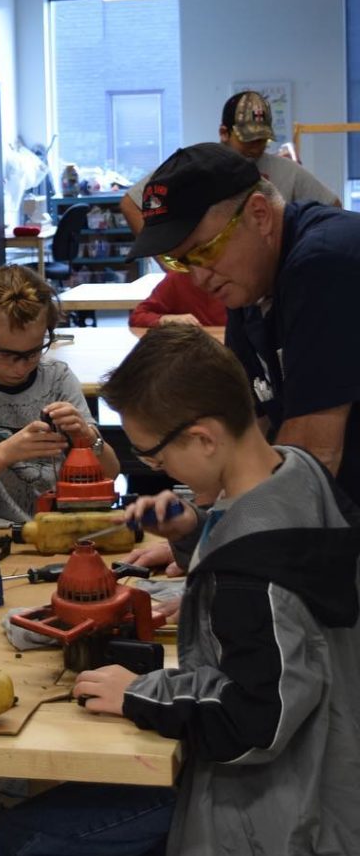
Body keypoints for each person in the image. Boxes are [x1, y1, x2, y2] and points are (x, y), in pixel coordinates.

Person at [0, 324, 360, 856]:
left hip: (270, 821)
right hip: (326, 776)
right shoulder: (300, 476)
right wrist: (199, 532)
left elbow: (258, 717)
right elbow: (294, 606)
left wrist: (142, 694)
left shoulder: (253, 574)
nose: (156, 470)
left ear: (204, 437)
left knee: (23, 845)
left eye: (158, 458)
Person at [126, 140, 360, 573]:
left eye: (205, 250)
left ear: (259, 214)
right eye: (181, 263)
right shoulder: (247, 289)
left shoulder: (326, 264)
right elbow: (244, 438)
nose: (197, 277)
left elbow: (311, 457)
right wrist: (201, 539)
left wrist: (229, 568)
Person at [0, 264, 119, 523]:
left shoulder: (58, 379)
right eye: (6, 355)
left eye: (32, 352)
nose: (20, 367)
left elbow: (112, 472)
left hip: (65, 525)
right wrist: (6, 452)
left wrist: (87, 437)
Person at [119, 90, 340, 235]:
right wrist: (167, 262)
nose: (255, 147)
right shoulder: (194, 165)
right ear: (224, 133)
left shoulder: (287, 172)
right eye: (247, 140)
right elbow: (131, 203)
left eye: (261, 140)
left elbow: (333, 209)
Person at [127, 270, 226, 329]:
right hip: (191, 353)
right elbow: (137, 317)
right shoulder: (178, 277)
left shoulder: (238, 278)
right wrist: (166, 320)